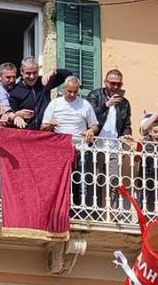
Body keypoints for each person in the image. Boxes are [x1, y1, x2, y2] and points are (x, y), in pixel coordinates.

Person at [42, 76, 99, 209]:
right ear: (63, 89)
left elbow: (95, 125)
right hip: (59, 149)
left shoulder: (85, 104)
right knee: (61, 181)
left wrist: (91, 130)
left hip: (81, 148)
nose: (72, 94)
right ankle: (60, 210)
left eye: (75, 91)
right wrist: (50, 124)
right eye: (69, 91)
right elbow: (42, 127)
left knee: (82, 182)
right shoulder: (55, 104)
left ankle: (83, 212)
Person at [86, 69, 133, 213]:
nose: (115, 87)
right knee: (95, 179)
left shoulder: (124, 103)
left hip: (114, 146)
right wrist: (107, 104)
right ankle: (93, 211)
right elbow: (88, 114)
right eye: (112, 83)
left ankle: (112, 211)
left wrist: (126, 135)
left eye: (118, 84)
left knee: (114, 180)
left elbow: (126, 124)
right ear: (105, 82)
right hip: (96, 145)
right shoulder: (95, 95)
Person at [8, 57, 73, 130]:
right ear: (22, 72)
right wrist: (17, 116)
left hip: (45, 132)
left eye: (35, 73)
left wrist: (54, 71)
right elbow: (10, 115)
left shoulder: (44, 82)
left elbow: (69, 75)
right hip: (26, 134)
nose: (32, 76)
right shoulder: (14, 91)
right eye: (28, 73)